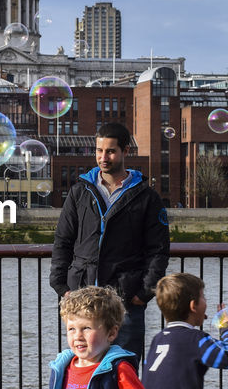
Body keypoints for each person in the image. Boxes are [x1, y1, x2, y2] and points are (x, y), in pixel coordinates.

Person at [50, 122, 170, 361]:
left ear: (126, 151)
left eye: (111, 151)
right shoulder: (79, 192)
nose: (103, 157)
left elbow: (158, 250)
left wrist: (143, 293)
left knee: (124, 369)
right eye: (99, 151)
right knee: (83, 369)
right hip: (80, 296)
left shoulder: (146, 197)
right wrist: (61, 287)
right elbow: (63, 240)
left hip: (126, 300)